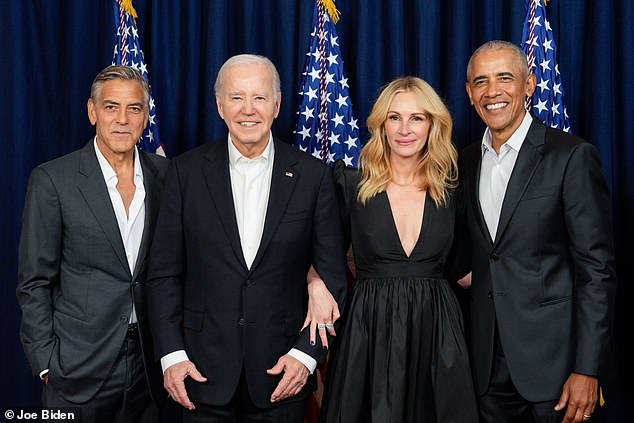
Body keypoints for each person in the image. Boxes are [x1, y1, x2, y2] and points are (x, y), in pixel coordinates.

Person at [145, 54, 347, 423]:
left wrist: (305, 357)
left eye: (260, 97)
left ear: (277, 104)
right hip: (198, 375)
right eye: (237, 97)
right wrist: (172, 356)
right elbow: (163, 274)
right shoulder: (184, 173)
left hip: (283, 375)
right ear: (220, 105)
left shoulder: (313, 177)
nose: (248, 109)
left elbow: (333, 275)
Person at [459, 40, 617, 423]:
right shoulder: (462, 162)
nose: (492, 92)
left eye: (504, 78)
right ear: (469, 93)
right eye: (481, 81)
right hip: (485, 369)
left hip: (557, 370)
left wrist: (587, 368)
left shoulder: (571, 157)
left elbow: (597, 272)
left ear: (528, 85)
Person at [315, 76, 478, 422]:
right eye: (395, 117)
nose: (405, 129)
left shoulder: (452, 188)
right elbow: (320, 254)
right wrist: (315, 283)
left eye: (416, 118)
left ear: (433, 124)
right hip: (367, 331)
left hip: (437, 331)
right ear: (382, 125)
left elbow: (466, 270)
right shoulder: (350, 184)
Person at [17, 65, 168, 422]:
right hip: (77, 367)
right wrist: (46, 364)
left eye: (134, 109)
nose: (122, 120)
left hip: (149, 366)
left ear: (146, 116)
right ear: (92, 111)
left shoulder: (167, 176)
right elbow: (34, 280)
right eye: (111, 107)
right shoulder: (54, 180)